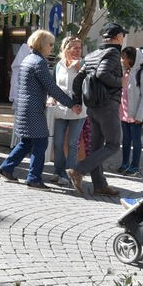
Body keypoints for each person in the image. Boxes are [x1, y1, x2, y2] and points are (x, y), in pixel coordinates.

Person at [0, 30, 78, 188]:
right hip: (33, 108)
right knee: (41, 142)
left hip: (25, 107)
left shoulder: (28, 59)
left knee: (27, 142)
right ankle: (34, 178)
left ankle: (6, 168)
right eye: (50, 44)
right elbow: (51, 87)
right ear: (41, 44)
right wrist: (71, 104)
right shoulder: (39, 62)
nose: (51, 48)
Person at [68, 23, 126, 198]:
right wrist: (120, 82)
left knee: (96, 147)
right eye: (123, 35)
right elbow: (102, 74)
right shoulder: (113, 52)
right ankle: (78, 170)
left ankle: (99, 185)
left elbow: (78, 80)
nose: (124, 38)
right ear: (117, 37)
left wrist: (77, 101)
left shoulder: (93, 54)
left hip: (92, 107)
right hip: (107, 105)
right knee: (114, 144)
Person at [50, 36, 86, 187]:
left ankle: (68, 174)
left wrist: (81, 70)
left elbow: (87, 86)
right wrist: (51, 97)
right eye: (75, 48)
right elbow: (54, 86)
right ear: (66, 49)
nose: (78, 51)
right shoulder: (59, 65)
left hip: (79, 109)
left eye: (80, 48)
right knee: (58, 142)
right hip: (61, 108)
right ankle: (58, 171)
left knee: (72, 143)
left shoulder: (83, 64)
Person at [117, 46, 143, 175]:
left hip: (136, 115)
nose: (122, 60)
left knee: (136, 141)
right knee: (125, 140)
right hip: (124, 114)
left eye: (123, 58)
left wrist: (139, 115)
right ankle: (124, 163)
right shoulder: (125, 72)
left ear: (131, 59)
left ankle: (134, 166)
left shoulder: (141, 73)